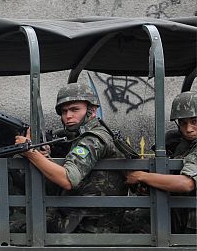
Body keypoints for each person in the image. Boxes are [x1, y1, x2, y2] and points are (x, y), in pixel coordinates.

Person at [16, 83, 127, 233]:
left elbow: (68, 179)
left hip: (83, 226)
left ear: (92, 111)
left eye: (75, 109)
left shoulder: (92, 139)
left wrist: (30, 152)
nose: (68, 116)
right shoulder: (93, 135)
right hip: (85, 221)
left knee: (5, 227)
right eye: (64, 111)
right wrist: (46, 159)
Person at [125, 91, 197, 233]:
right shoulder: (178, 143)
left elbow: (187, 183)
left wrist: (142, 176)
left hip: (189, 219)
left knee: (131, 222)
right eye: (183, 123)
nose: (188, 129)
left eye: (195, 122)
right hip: (179, 211)